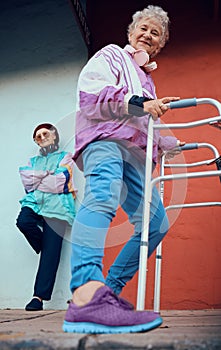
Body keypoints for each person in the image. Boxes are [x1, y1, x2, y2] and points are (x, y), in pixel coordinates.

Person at [63, 5, 185, 333]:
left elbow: (149, 122)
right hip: (103, 137)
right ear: (131, 33)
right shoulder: (112, 55)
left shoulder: (147, 81)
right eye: (142, 28)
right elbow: (92, 94)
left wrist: (174, 146)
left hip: (135, 153)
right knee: (102, 195)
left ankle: (108, 294)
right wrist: (140, 104)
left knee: (155, 222)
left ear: (159, 45)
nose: (147, 34)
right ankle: (87, 293)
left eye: (154, 33)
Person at [16, 123, 76, 311]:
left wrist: (38, 179)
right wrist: (46, 175)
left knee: (51, 254)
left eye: (45, 134)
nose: (41, 138)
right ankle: (47, 248)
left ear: (54, 136)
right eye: (38, 136)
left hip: (58, 207)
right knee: (23, 222)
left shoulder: (65, 157)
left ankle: (38, 297)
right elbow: (26, 181)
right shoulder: (32, 161)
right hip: (34, 204)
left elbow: (60, 182)